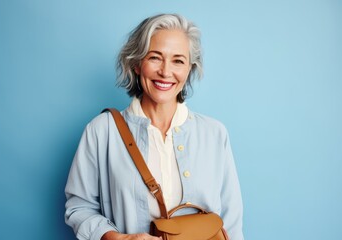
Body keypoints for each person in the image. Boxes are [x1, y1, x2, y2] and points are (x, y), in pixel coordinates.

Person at [65, 13, 244, 240]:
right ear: (137, 64)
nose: (166, 72)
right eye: (155, 57)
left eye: (178, 60)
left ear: (189, 69)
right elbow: (79, 207)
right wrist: (119, 238)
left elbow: (231, 222)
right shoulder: (102, 131)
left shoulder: (215, 133)